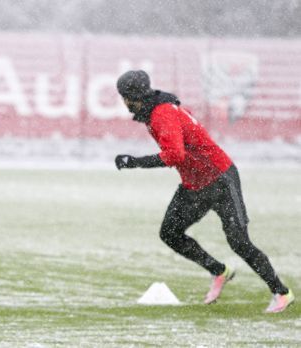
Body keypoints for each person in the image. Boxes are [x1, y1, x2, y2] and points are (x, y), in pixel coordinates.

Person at [113, 70, 294, 313]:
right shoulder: (158, 108)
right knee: (170, 233)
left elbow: (176, 155)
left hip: (220, 180)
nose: (123, 102)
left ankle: (281, 293)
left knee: (239, 242)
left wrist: (135, 162)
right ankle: (219, 271)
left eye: (124, 96)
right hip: (195, 184)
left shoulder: (161, 113)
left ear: (132, 96)